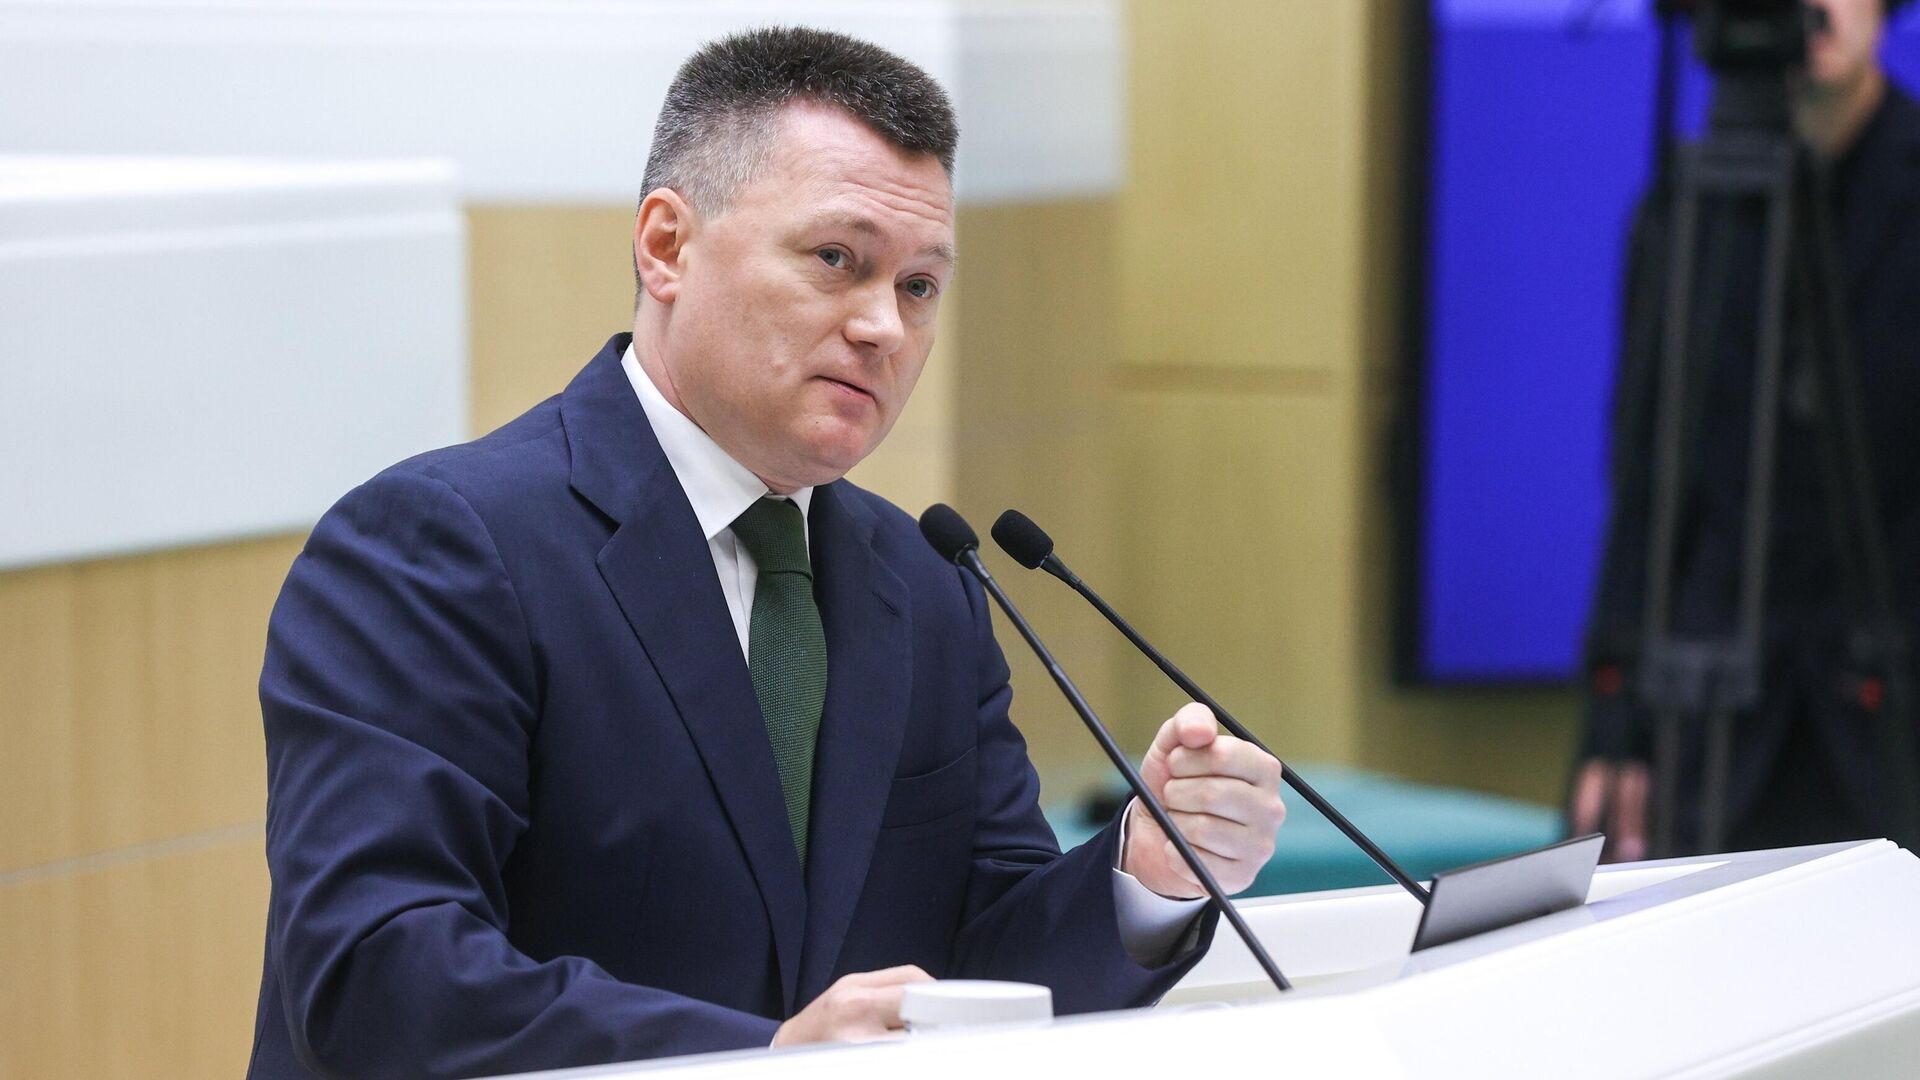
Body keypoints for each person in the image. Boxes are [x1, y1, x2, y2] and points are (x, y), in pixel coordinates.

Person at [247, 27, 1288, 1079]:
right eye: (837, 260)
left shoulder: (925, 584)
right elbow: (375, 975)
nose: (884, 328)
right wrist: (765, 1057)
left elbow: (982, 975)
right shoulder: (441, 549)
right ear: (666, 246)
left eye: (919, 286)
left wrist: (1147, 873)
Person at [1573, 0, 1920, 858]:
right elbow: (1645, 477)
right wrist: (1615, 723)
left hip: (1891, 720)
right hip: (1710, 724)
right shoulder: (1683, 212)